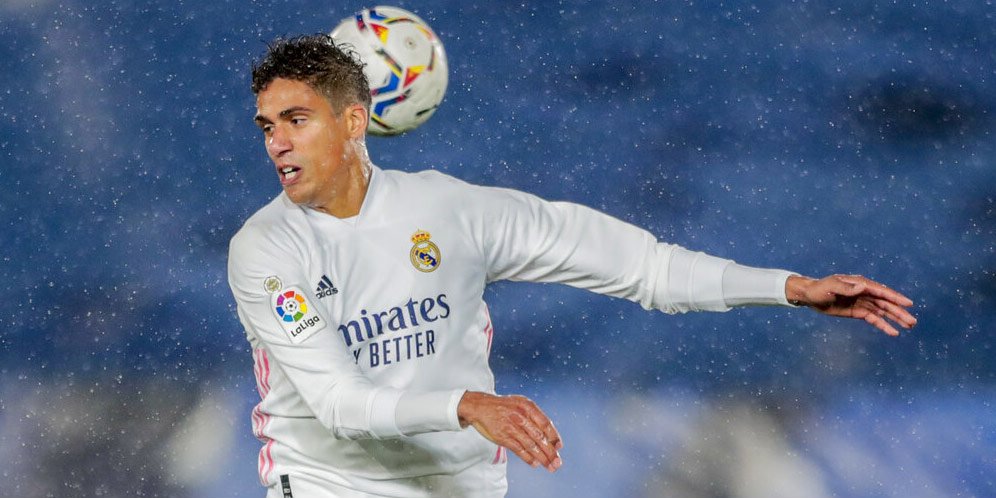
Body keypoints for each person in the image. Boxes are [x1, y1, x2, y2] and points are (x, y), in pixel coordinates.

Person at [227, 34, 917, 498]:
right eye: (268, 126)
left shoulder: (452, 212)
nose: (278, 144)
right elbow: (339, 405)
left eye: (297, 119)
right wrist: (464, 406)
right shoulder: (266, 251)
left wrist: (788, 289)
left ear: (353, 123)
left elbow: (645, 269)